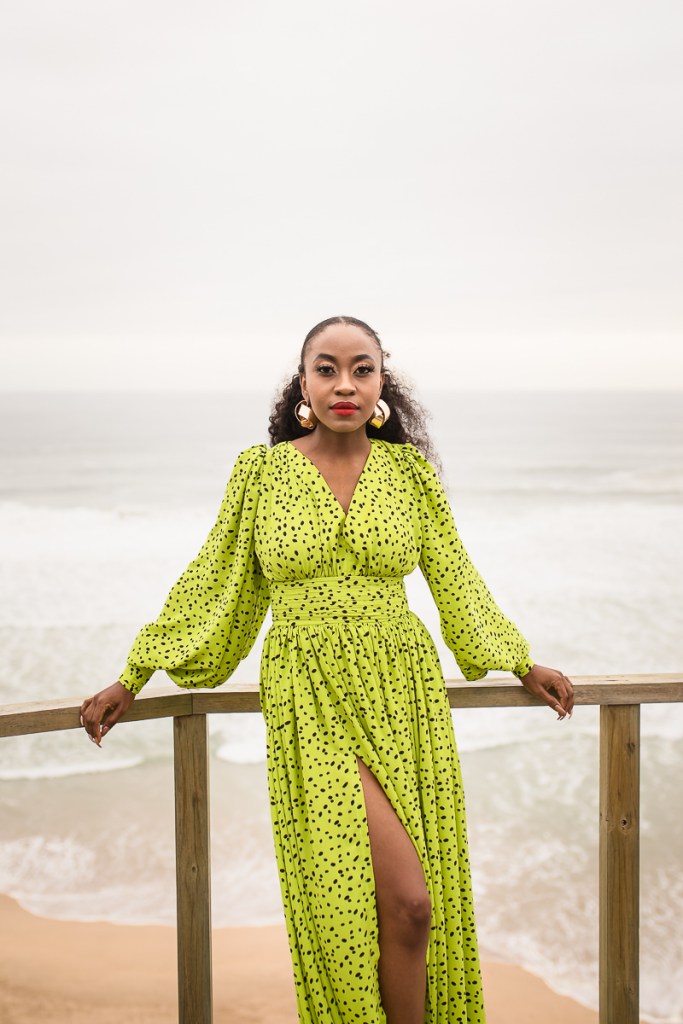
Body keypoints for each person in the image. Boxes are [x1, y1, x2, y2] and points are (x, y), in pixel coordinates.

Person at [80, 316, 574, 1024]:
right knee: (380, 903)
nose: (345, 383)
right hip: (309, 695)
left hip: (401, 689)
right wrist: (135, 674)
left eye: (361, 368)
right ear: (303, 381)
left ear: (381, 382)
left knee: (408, 911)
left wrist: (518, 660)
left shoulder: (408, 473)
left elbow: (454, 575)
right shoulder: (262, 472)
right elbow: (214, 578)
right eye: (327, 367)